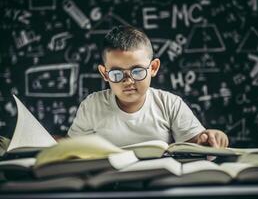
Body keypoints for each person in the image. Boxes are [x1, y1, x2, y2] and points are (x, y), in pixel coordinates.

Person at [68, 25, 229, 148]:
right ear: (104, 74)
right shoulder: (91, 106)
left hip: (159, 186)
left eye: (137, 71)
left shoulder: (170, 104)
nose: (128, 81)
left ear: (153, 68)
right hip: (107, 188)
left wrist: (211, 137)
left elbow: (197, 144)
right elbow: (71, 149)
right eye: (117, 73)